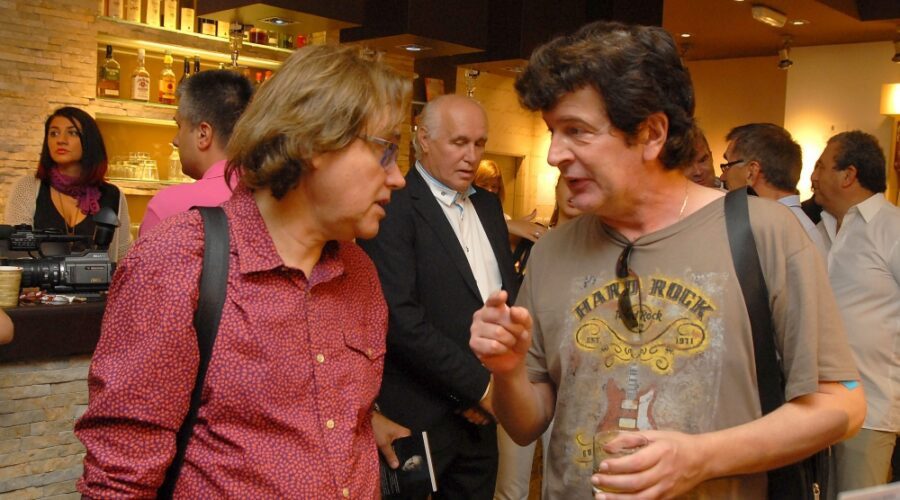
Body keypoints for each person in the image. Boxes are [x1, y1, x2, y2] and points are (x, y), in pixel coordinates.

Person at [469, 20, 865, 499]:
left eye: (577, 131)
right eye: (553, 131)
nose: (554, 154)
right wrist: (508, 370)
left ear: (652, 133)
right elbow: (526, 424)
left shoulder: (765, 234)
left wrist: (701, 458)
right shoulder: (553, 250)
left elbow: (843, 403)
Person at [74, 44, 411, 497]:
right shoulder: (181, 261)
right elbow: (121, 476)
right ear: (314, 141)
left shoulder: (360, 273)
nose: (398, 177)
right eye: (386, 151)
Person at [357, 94, 517, 499]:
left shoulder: (489, 207)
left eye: (479, 144)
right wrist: (477, 389)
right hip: (419, 416)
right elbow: (400, 319)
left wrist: (495, 385)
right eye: (459, 142)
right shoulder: (392, 205)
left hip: (482, 422)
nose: (472, 156)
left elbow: (504, 299)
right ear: (424, 139)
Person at [811, 130, 900, 493]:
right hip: (816, 407)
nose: (813, 176)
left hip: (871, 409)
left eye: (821, 167)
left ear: (849, 175)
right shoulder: (820, 229)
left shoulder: (892, 228)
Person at [495, 174, 581, 500]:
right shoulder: (530, 240)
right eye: (567, 182)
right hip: (522, 372)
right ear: (555, 187)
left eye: (580, 183)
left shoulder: (600, 250)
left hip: (570, 375)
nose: (572, 192)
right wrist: (508, 226)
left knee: (559, 483)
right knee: (511, 486)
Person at [4, 107, 131, 261]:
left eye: (72, 133)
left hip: (100, 278)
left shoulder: (113, 195)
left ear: (89, 140)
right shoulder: (27, 188)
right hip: (38, 278)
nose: (61, 140)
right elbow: (17, 254)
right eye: (54, 133)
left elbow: (124, 259)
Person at [139, 69, 253, 237]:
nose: (175, 141)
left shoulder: (167, 207)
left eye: (179, 126)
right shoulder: (272, 200)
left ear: (203, 134)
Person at [720, 122, 826, 254]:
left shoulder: (783, 232)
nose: (722, 177)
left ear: (751, 172)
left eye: (728, 165)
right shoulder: (790, 226)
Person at [474, 159, 547, 243]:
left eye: (494, 186)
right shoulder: (465, 213)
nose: (489, 190)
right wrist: (505, 225)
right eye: (484, 185)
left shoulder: (505, 218)